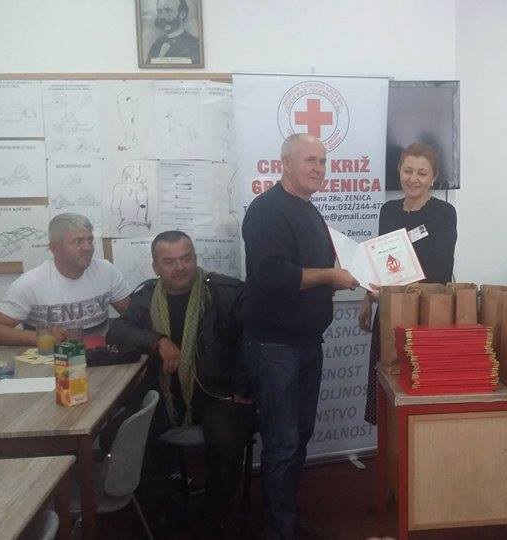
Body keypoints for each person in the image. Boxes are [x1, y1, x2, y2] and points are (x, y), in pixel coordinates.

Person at [241, 133, 358, 539]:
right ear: (285, 163)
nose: (318, 169)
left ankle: (285, 517)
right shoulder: (266, 210)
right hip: (276, 348)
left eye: (322, 162)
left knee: (299, 438)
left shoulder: (309, 210)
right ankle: (280, 530)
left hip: (307, 344)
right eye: (310, 160)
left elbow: (316, 267)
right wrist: (329, 276)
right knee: (282, 443)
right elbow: (273, 274)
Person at [106, 230, 253, 533]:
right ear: (155, 267)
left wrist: (244, 387)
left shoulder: (224, 292)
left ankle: (212, 519)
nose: (180, 267)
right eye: (169, 261)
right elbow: (117, 332)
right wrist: (157, 340)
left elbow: (252, 340)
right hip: (165, 395)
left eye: (186, 258)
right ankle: (169, 512)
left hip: (217, 393)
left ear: (195, 258)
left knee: (227, 439)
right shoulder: (147, 297)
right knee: (115, 435)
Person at [359, 142, 457, 424]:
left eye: (422, 173)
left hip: (424, 314)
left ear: (433, 178)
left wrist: (397, 289)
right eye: (408, 171)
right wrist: (367, 298)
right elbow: (379, 260)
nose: (413, 179)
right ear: (399, 171)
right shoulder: (388, 210)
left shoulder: (444, 213)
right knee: (385, 390)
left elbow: (441, 271)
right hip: (387, 310)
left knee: (418, 390)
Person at [0, 213, 133, 345]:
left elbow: (133, 316)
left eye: (90, 240)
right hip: (52, 362)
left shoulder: (106, 271)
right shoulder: (30, 282)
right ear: (55, 248)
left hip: (100, 359)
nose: (88, 247)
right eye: (78, 241)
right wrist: (40, 336)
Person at [147, 0, 201, 65]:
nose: (162, 16)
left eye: (168, 10)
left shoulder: (194, 45)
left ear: (182, 14)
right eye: (159, 11)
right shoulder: (156, 44)